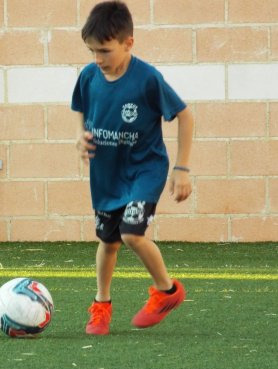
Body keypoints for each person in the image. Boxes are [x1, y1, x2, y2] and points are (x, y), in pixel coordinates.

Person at [71, 0, 194, 335]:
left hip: (145, 170)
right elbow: (81, 108)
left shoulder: (147, 79)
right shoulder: (89, 76)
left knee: (130, 234)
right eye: (92, 51)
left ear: (128, 43)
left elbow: (184, 115)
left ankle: (167, 292)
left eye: (105, 51)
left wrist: (181, 168)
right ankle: (101, 306)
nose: (98, 59)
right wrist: (81, 137)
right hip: (107, 174)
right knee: (108, 242)